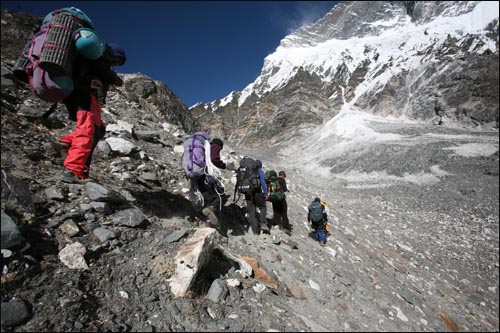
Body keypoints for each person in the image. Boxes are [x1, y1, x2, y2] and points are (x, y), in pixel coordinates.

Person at [58, 42, 126, 183]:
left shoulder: (93, 56)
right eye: (117, 60)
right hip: (86, 94)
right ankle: (73, 169)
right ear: (114, 52)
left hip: (85, 96)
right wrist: (115, 79)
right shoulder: (102, 56)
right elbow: (102, 69)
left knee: (99, 129)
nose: (116, 63)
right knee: (88, 130)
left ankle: (66, 143)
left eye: (118, 63)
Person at [199, 138, 227, 227]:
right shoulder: (215, 146)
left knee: (208, 198)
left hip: (199, 175)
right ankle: (212, 209)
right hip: (207, 176)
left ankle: (208, 223)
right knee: (221, 196)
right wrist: (223, 165)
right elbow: (214, 159)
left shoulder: (204, 148)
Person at [245, 159, 269, 235]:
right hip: (257, 192)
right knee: (263, 207)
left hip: (248, 193)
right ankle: (263, 223)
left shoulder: (247, 171)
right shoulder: (259, 172)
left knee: (252, 211)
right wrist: (265, 193)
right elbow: (263, 183)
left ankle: (255, 231)